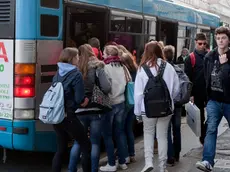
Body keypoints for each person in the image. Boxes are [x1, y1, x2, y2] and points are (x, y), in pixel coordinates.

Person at [134, 41, 179, 172]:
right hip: (166, 108)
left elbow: (138, 94)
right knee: (163, 136)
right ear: (161, 51)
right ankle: (162, 166)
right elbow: (176, 89)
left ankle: (148, 163)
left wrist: (137, 112)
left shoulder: (142, 68)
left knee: (148, 134)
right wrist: (170, 99)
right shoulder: (169, 67)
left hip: (147, 109)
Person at [68, 44, 111, 172]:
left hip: (79, 110)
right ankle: (93, 169)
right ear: (92, 52)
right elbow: (107, 87)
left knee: (77, 142)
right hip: (96, 109)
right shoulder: (98, 67)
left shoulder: (74, 69)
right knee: (95, 142)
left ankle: (71, 169)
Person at [196, 26, 230, 172]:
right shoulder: (209, 57)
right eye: (218, 38)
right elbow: (206, 77)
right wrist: (206, 97)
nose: (220, 41)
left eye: (223, 38)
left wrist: (224, 66)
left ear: (228, 40)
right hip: (214, 101)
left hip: (229, 101)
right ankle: (207, 161)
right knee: (210, 129)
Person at [52, 48, 91, 172]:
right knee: (86, 145)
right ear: (72, 58)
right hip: (69, 116)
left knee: (61, 148)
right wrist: (85, 100)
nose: (79, 59)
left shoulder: (58, 72)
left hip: (56, 115)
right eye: (77, 57)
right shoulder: (76, 73)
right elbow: (79, 98)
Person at [100, 45, 130, 172]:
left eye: (104, 53)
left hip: (110, 103)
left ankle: (111, 163)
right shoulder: (123, 67)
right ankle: (123, 162)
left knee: (107, 135)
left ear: (107, 55)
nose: (103, 55)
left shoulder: (105, 68)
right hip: (121, 102)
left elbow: (105, 87)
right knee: (120, 132)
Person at [184, 33, 208, 145]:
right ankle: (203, 137)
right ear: (195, 42)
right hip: (197, 92)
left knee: (212, 116)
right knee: (201, 116)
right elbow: (187, 77)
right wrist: (190, 95)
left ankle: (206, 134)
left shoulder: (210, 55)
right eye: (200, 43)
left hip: (209, 92)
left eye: (204, 44)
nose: (202, 46)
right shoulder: (190, 58)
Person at [163, 45, 183, 166]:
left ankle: (170, 156)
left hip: (167, 103)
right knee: (177, 128)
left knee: (167, 129)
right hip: (178, 103)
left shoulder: (163, 69)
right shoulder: (178, 68)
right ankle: (177, 153)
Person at [120, 52, 138, 163]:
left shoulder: (124, 72)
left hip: (125, 102)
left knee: (121, 130)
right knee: (129, 129)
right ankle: (132, 154)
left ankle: (124, 154)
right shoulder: (136, 70)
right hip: (133, 102)